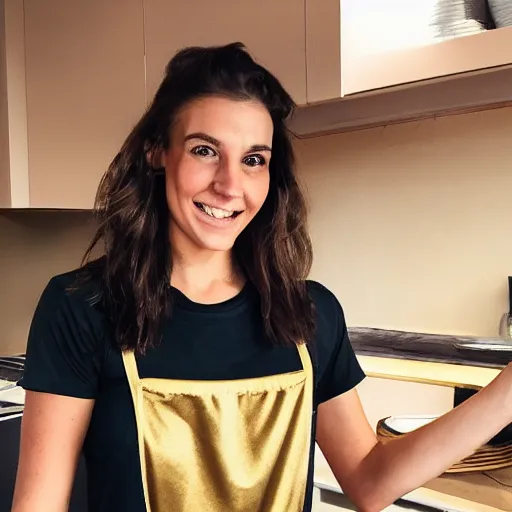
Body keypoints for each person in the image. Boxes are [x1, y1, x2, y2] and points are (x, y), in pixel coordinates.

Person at [11, 42, 512, 512]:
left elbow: (369, 478)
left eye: (254, 160)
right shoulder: (82, 307)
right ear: (157, 153)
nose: (230, 185)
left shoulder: (309, 315)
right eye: (205, 150)